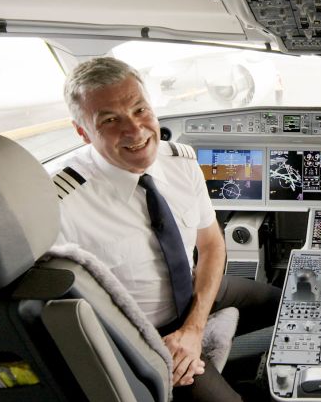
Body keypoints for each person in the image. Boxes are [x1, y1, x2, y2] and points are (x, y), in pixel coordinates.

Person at [53, 57, 280, 401]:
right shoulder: (61, 202)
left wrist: (194, 327)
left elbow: (211, 245)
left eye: (140, 110)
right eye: (110, 120)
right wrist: (150, 351)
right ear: (82, 131)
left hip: (190, 291)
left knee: (289, 304)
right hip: (142, 335)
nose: (135, 130)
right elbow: (68, 312)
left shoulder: (181, 163)